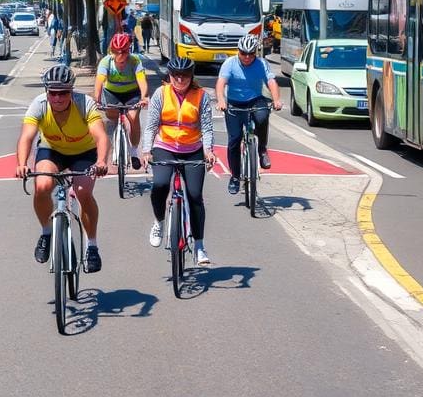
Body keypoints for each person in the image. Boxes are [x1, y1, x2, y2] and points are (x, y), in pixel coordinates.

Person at [16, 64, 109, 273]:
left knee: (83, 192)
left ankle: (92, 246)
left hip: (84, 153)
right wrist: (21, 164)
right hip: (52, 150)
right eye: (53, 93)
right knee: (42, 185)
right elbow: (26, 137)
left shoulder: (85, 104)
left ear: (72, 91)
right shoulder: (38, 104)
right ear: (46, 92)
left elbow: (101, 136)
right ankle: (46, 233)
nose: (58, 98)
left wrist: (102, 161)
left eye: (63, 93)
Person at [141, 57, 215, 265]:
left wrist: (208, 151)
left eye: (185, 76)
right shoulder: (161, 94)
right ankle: (159, 221)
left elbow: (207, 127)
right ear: (170, 76)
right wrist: (147, 150)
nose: (180, 80)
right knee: (160, 184)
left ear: (191, 77)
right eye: (176, 76)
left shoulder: (201, 96)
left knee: (194, 195)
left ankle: (199, 245)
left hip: (193, 150)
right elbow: (151, 125)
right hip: (165, 147)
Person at [214, 34, 283, 195]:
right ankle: (235, 177)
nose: (246, 57)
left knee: (262, 116)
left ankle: (262, 150)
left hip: (255, 100)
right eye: (243, 53)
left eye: (250, 53)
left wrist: (277, 99)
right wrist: (221, 100)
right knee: (234, 140)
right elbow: (220, 84)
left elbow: (271, 82)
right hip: (234, 103)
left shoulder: (261, 64)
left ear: (255, 53)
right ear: (238, 51)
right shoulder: (229, 64)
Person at [94, 32, 150, 169]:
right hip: (112, 93)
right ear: (112, 51)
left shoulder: (135, 61)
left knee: (133, 117)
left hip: (132, 93)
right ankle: (115, 137)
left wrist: (144, 97)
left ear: (128, 50)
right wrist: (97, 100)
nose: (121, 56)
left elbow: (142, 81)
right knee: (111, 116)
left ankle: (133, 151)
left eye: (124, 52)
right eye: (117, 52)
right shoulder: (106, 61)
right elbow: (99, 82)